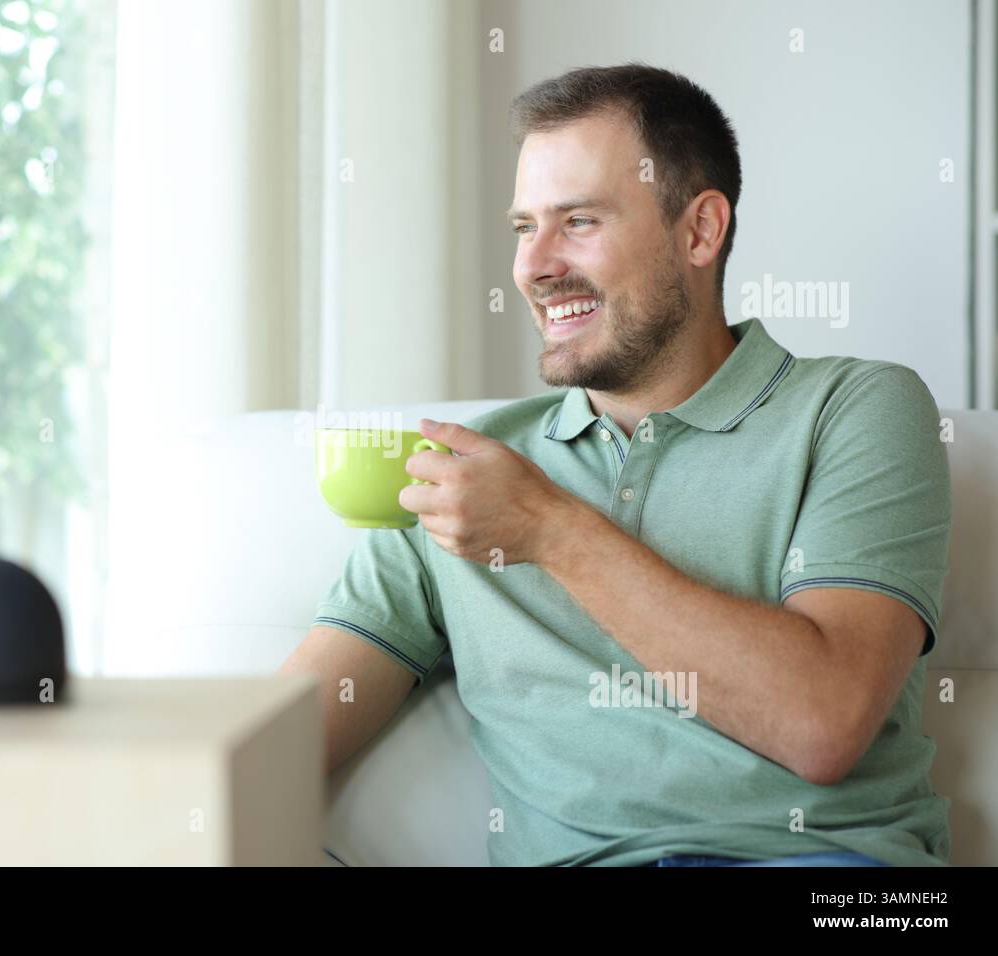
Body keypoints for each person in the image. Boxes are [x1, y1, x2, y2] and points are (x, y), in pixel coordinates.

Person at [279, 63, 951, 867]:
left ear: (700, 231)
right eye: (525, 227)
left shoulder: (857, 410)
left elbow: (823, 723)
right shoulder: (460, 473)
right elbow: (275, 743)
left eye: (579, 221)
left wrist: (548, 528)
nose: (535, 265)